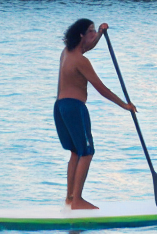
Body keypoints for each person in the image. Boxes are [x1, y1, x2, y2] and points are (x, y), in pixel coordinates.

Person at [55, 18, 137, 210]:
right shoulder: (82, 61)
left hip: (59, 107)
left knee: (76, 152)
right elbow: (101, 88)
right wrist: (124, 105)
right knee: (87, 152)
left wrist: (100, 33)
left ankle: (70, 198)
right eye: (90, 31)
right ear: (81, 35)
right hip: (75, 108)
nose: (93, 35)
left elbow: (87, 47)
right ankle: (77, 201)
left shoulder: (66, 53)